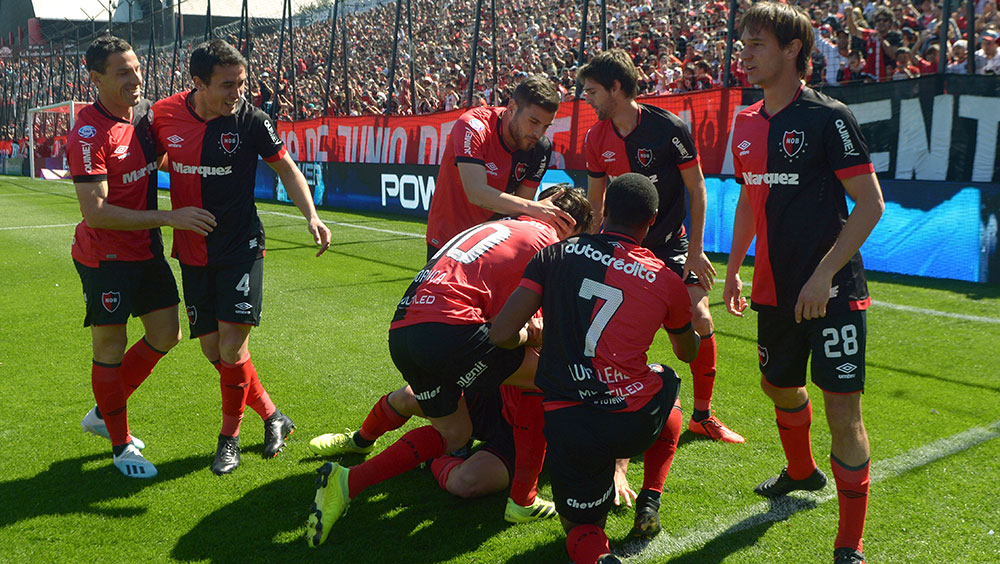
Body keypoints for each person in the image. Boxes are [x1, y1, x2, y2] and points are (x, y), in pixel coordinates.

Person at [305, 187, 593, 548]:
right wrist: (533, 334)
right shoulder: (548, 243)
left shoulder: (501, 226)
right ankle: (523, 501)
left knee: (455, 434)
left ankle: (347, 482)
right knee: (548, 378)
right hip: (451, 331)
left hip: (403, 330)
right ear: (568, 224)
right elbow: (533, 334)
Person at [724, 4, 884, 564]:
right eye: (743, 44)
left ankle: (849, 541)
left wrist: (824, 275)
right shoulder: (744, 122)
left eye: (757, 45)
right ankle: (800, 470)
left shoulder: (829, 118)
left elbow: (870, 205)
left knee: (843, 411)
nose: (744, 54)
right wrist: (735, 267)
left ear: (793, 50)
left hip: (833, 290)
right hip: (773, 289)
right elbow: (751, 196)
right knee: (778, 387)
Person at [489, 173, 701, 564]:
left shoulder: (553, 255)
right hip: (631, 420)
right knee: (667, 378)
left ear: (604, 211)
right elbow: (688, 352)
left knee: (582, 530)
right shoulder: (664, 279)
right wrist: (690, 308)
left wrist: (535, 338)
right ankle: (650, 499)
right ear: (652, 220)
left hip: (570, 423)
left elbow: (501, 333)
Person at [152, 39, 332, 475]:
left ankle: (228, 440)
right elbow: (147, 164)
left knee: (232, 347)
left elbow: (287, 169)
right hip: (192, 249)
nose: (239, 93)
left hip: (241, 247)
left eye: (243, 83)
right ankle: (273, 417)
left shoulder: (253, 122)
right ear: (198, 83)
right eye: (228, 85)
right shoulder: (163, 116)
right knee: (214, 351)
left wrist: (311, 216)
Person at [68, 35, 216, 479]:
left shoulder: (149, 116)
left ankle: (103, 412)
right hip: (104, 256)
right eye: (122, 72)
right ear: (96, 79)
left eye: (136, 68)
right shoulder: (88, 131)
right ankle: (119, 444)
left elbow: (169, 157)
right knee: (110, 345)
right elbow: (95, 211)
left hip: (145, 250)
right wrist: (170, 218)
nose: (136, 78)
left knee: (166, 334)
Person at [578, 48, 744, 444]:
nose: (586, 98)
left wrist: (696, 250)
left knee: (700, 318)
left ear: (616, 89)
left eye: (592, 91)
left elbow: (697, 188)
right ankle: (601, 405)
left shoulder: (668, 128)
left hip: (671, 245)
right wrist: (586, 249)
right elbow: (596, 203)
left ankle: (702, 416)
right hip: (619, 247)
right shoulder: (594, 137)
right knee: (603, 327)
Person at [424, 75, 574, 261]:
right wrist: (535, 207)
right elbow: (476, 192)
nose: (538, 133)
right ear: (511, 107)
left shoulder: (540, 147)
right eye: (533, 122)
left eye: (546, 126)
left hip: (490, 245)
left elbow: (520, 206)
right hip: (448, 239)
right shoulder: (473, 126)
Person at [309, 384, 527, 502]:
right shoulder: (525, 305)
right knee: (405, 397)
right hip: (487, 395)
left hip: (522, 431)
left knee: (466, 483)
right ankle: (361, 440)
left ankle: (438, 454)